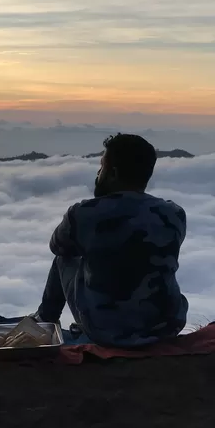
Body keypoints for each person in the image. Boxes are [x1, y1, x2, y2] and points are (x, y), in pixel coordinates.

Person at [32, 134, 188, 347]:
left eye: (101, 167)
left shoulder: (83, 215)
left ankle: (44, 321)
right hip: (166, 327)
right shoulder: (174, 214)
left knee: (64, 258)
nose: (98, 174)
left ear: (112, 173)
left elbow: (57, 246)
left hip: (107, 331)